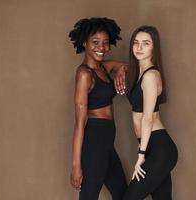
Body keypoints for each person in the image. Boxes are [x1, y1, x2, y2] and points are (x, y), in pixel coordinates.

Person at [68, 17, 127, 200]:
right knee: (88, 196)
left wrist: (121, 71)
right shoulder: (84, 74)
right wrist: (76, 165)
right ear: (84, 43)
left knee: (122, 194)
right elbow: (80, 122)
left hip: (107, 141)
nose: (101, 48)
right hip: (94, 141)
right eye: (95, 42)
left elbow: (126, 66)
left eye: (105, 43)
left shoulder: (102, 67)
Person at [123, 25, 178, 200]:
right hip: (152, 146)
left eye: (145, 43)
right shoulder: (138, 73)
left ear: (154, 47)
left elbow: (148, 118)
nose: (139, 47)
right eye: (136, 43)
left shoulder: (149, 76)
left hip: (159, 148)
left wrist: (141, 154)